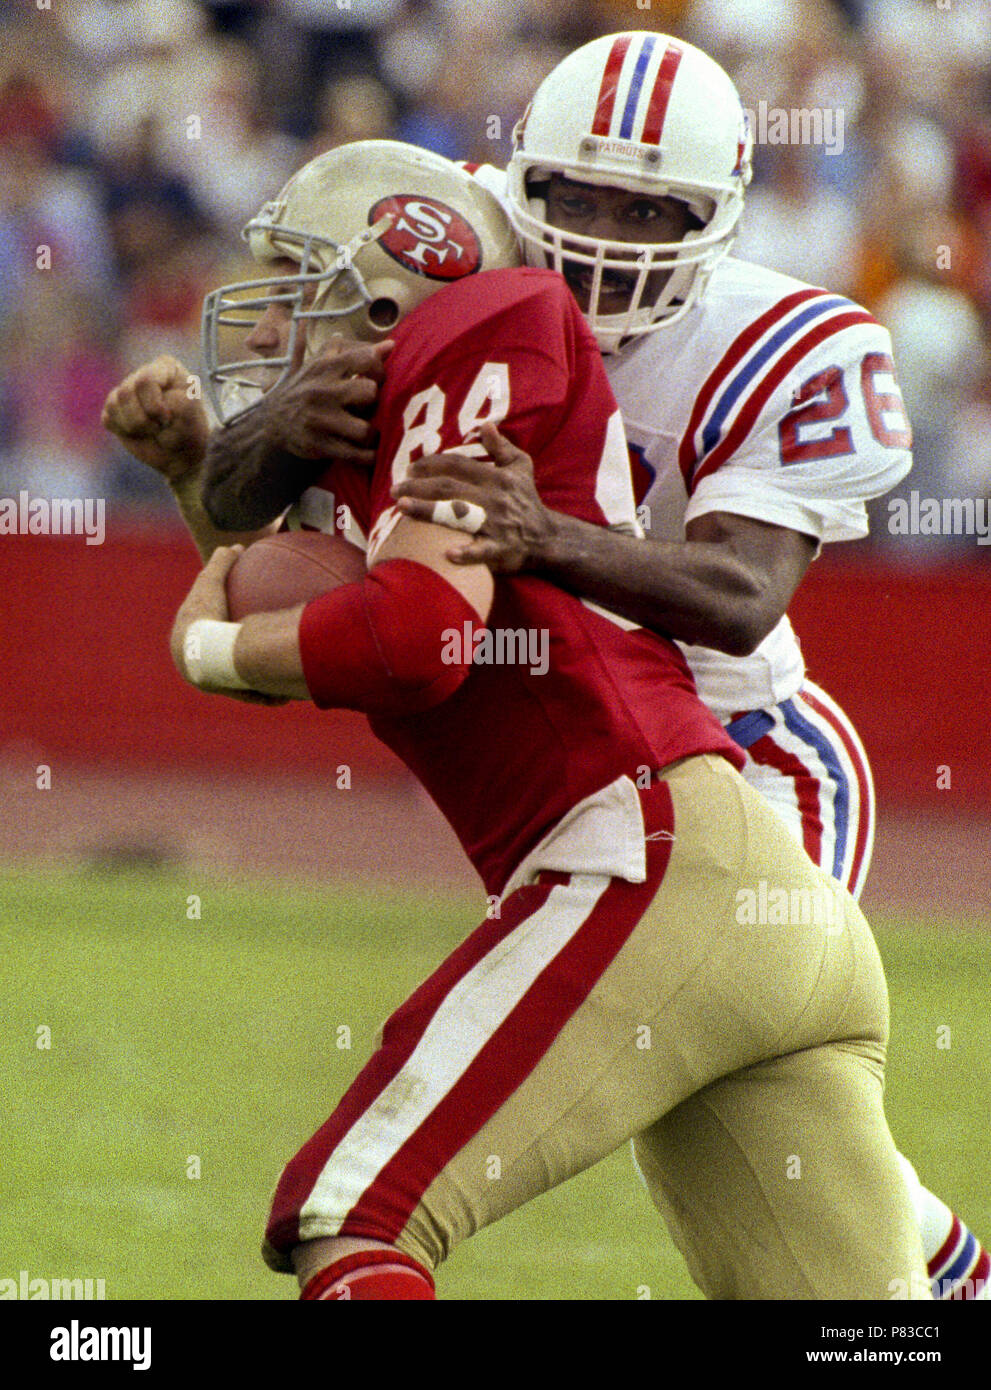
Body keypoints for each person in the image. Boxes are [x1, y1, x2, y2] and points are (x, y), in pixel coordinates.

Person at [131, 139, 930, 1301]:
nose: (271, 332)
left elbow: (412, 639)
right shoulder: (410, 428)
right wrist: (196, 489)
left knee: (355, 1218)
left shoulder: (485, 327)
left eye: (306, 289)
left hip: (650, 857)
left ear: (393, 290)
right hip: (753, 906)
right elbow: (328, 617)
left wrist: (202, 650)